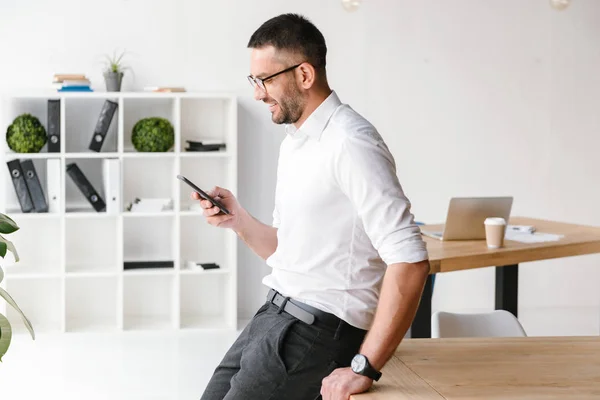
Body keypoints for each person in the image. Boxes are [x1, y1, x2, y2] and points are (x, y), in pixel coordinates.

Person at [196, 13, 430, 400]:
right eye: (253, 81)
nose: (257, 94)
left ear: (304, 74)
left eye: (265, 80)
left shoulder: (351, 142)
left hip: (314, 331)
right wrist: (238, 219)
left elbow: (410, 260)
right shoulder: (297, 143)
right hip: (272, 316)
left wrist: (365, 366)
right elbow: (288, 252)